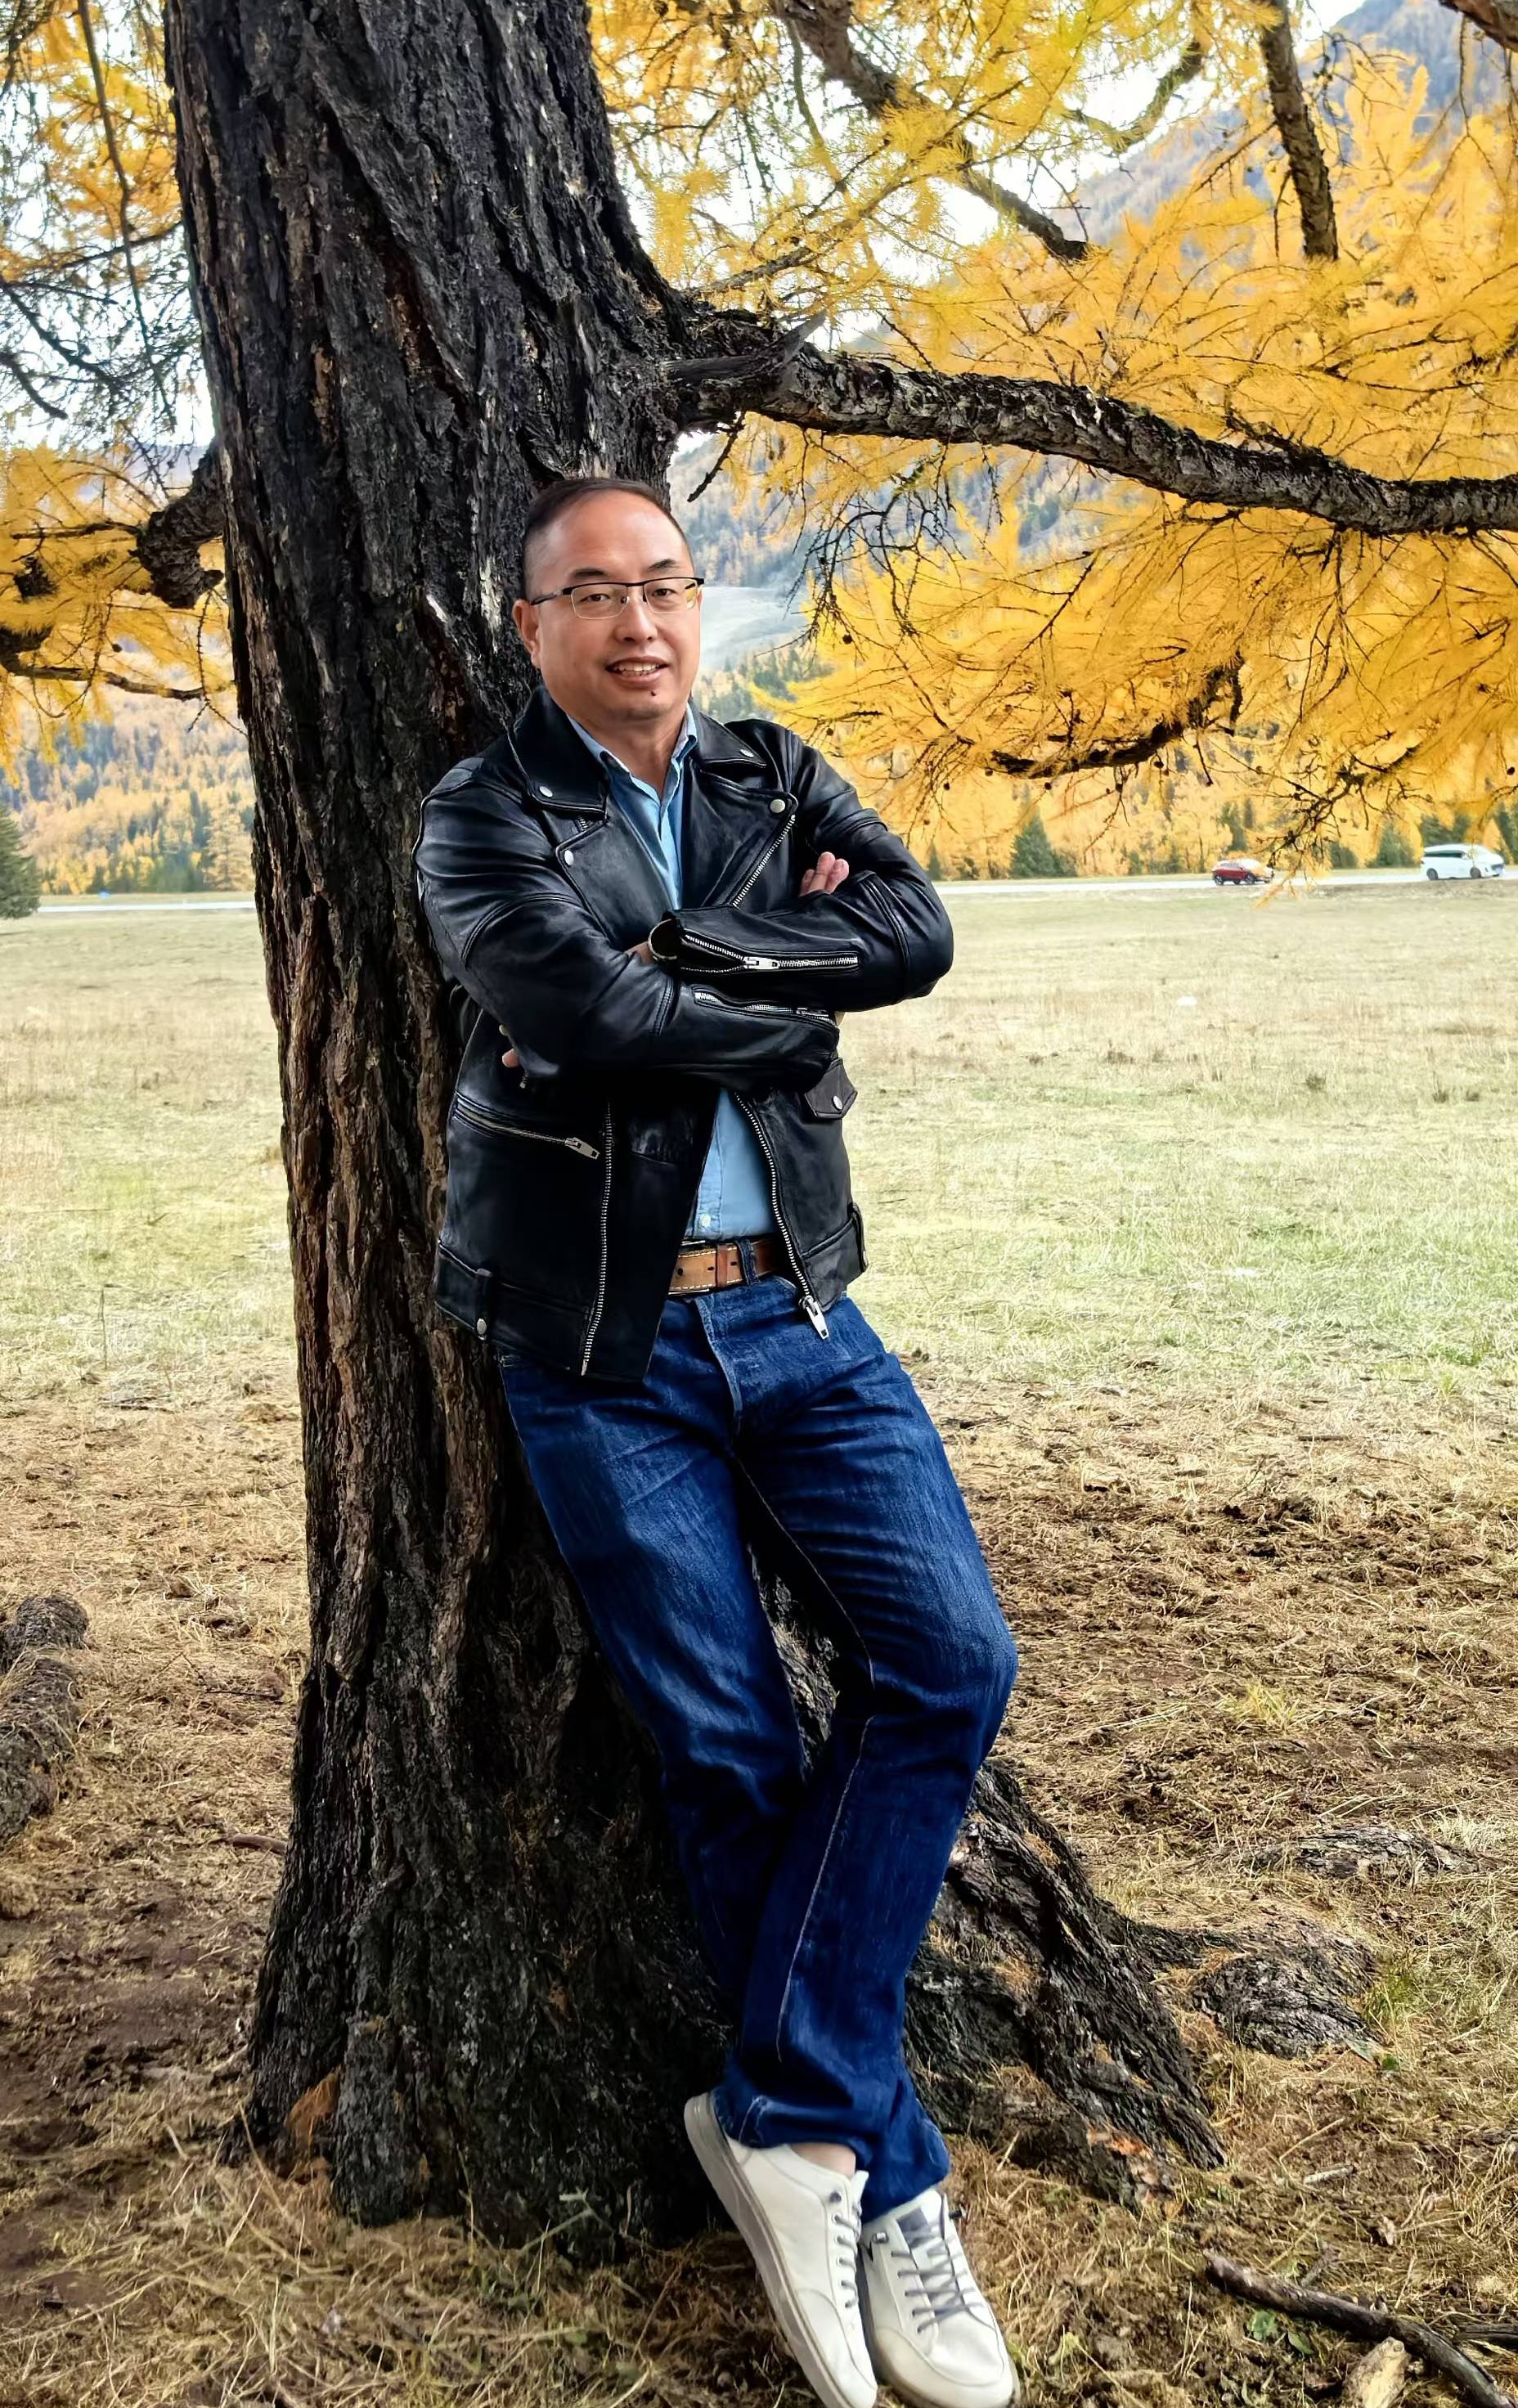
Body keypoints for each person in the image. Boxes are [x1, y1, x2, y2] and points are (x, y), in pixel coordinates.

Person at [413, 475, 1021, 2408]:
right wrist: (782, 980)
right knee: (727, 1748)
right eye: (594, 593)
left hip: (802, 1315)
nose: (640, 621)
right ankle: (886, 2178)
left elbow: (912, 931)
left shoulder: (770, 769)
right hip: (604, 1345)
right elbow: (577, 1005)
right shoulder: (482, 814)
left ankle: (782, 2108)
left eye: (667, 583)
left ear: (699, 604)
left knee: (951, 1663)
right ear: (531, 626)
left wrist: (690, 958)